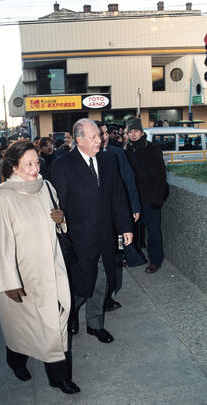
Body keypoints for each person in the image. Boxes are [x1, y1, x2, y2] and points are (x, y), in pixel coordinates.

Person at [0, 140, 80, 394]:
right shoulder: (3, 196)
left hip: (52, 268)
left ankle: (59, 377)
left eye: (36, 162)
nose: (34, 168)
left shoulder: (46, 187)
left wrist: (61, 220)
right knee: (21, 329)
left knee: (55, 325)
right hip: (23, 277)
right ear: (13, 167)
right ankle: (15, 360)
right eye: (27, 164)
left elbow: (57, 225)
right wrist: (8, 282)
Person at [51, 119, 133, 344]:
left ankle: (95, 325)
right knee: (80, 285)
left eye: (100, 136)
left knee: (103, 281)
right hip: (78, 239)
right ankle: (71, 316)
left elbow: (117, 197)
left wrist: (125, 227)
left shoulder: (109, 161)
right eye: (94, 137)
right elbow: (59, 206)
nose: (100, 140)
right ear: (79, 140)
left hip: (105, 235)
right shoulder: (63, 165)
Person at [96, 121, 141, 311]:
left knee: (115, 256)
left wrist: (134, 207)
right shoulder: (83, 159)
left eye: (106, 133)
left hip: (116, 217)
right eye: (101, 134)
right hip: (94, 222)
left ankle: (107, 296)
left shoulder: (117, 153)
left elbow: (128, 181)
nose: (105, 137)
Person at [126, 117, 167, 273]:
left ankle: (155, 261)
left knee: (154, 232)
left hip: (151, 199)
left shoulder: (153, 149)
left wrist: (157, 199)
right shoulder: (127, 150)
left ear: (142, 133)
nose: (133, 134)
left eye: (136, 131)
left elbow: (161, 177)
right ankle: (134, 257)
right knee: (134, 230)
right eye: (131, 132)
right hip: (134, 200)